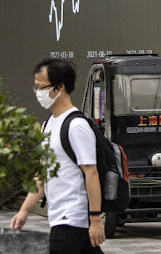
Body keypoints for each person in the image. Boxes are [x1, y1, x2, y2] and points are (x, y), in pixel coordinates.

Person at [10, 58, 106, 253]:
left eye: (41, 87)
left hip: (72, 220)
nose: (38, 93)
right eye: (35, 87)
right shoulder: (48, 125)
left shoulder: (76, 126)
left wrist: (95, 220)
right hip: (62, 220)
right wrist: (24, 210)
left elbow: (91, 173)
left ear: (59, 87)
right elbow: (42, 174)